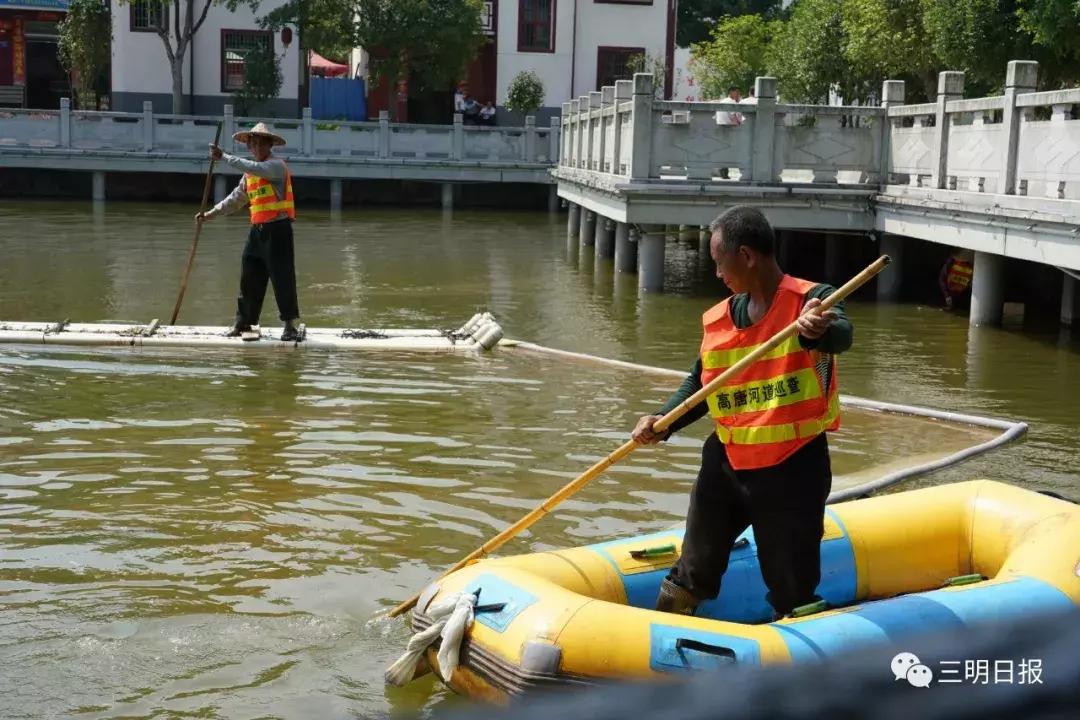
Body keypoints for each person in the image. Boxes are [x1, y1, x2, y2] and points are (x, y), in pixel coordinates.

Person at [631, 205, 853, 619]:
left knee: (792, 585)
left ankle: (791, 663)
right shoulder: (720, 319)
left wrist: (818, 328)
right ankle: (659, 641)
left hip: (792, 469)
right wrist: (660, 423)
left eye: (720, 262)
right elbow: (701, 384)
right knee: (692, 568)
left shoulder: (812, 301)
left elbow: (841, 334)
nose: (717, 274)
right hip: (726, 465)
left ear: (747, 255)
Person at [195, 122, 302, 342]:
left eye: (261, 144)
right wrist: (209, 215)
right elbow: (235, 199)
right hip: (257, 231)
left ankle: (289, 325)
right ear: (250, 147)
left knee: (282, 277)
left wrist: (223, 156)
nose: (257, 148)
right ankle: (243, 321)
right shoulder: (249, 174)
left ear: (269, 145)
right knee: (249, 276)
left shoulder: (275, 166)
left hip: (278, 230)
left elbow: (254, 168)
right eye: (253, 144)